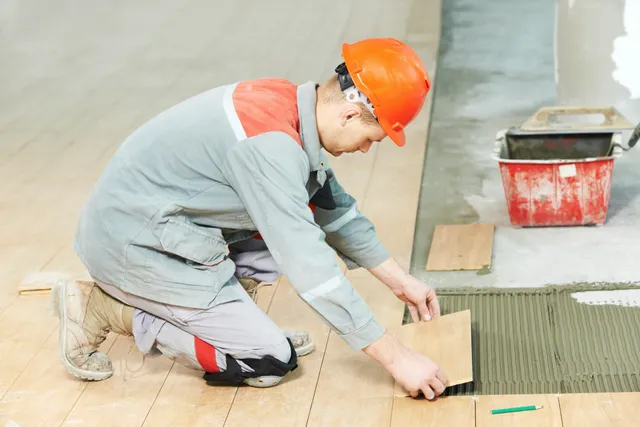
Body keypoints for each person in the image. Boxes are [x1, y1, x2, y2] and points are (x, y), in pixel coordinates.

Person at [52, 37, 447, 399]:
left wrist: (401, 282)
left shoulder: (288, 104)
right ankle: (103, 306)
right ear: (348, 115)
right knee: (269, 360)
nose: (364, 150)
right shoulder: (270, 149)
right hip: (131, 244)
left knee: (297, 210)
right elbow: (312, 268)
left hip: (158, 223)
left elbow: (334, 210)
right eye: (371, 138)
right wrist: (397, 358)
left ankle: (229, 322)